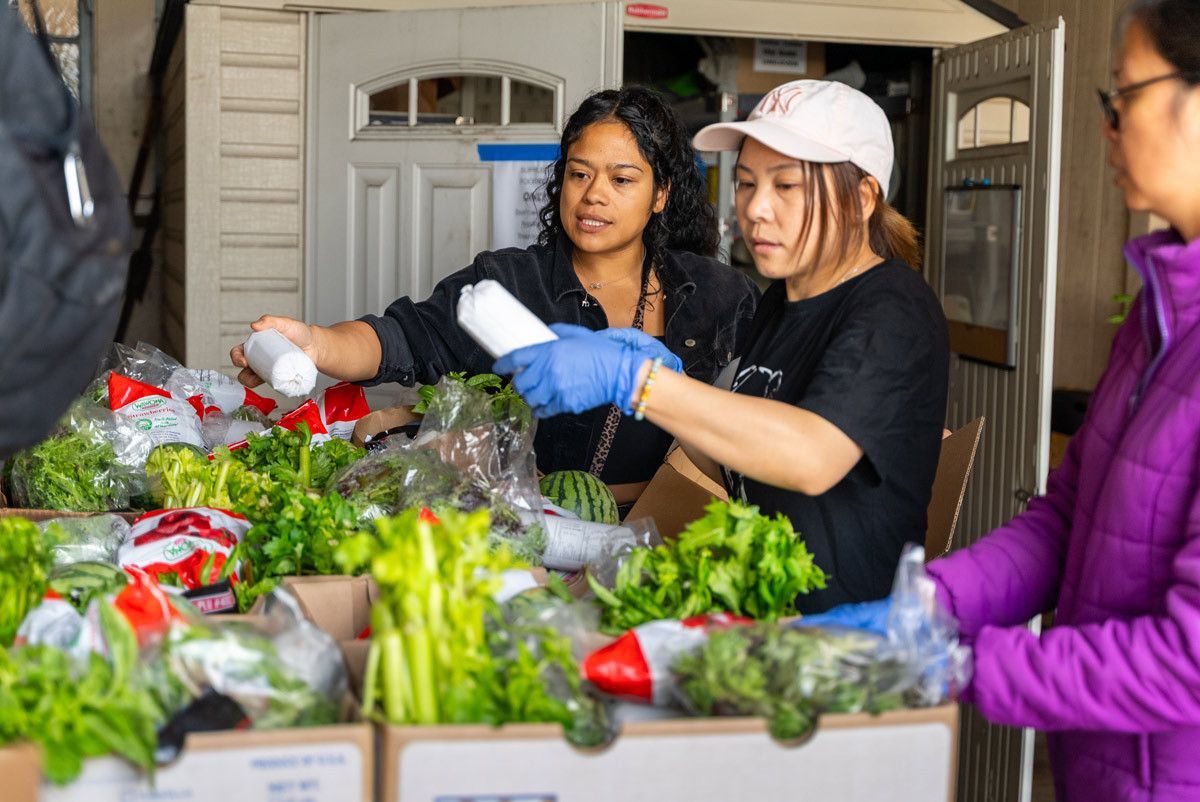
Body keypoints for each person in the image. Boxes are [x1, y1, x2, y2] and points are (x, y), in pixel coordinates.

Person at [802, 2, 1200, 799]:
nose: (1107, 126)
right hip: (1105, 766)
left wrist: (961, 662)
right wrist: (933, 603)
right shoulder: (1161, 312)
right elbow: (1066, 519)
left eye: (1123, 96)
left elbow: (1186, 664)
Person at [496, 79, 950, 612]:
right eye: (747, 182)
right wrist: (673, 391)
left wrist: (639, 381)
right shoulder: (780, 305)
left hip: (844, 648)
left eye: (785, 186)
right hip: (761, 631)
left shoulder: (892, 305)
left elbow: (812, 456)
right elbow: (734, 461)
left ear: (862, 200)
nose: (756, 208)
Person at [231, 86, 760, 503]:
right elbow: (402, 338)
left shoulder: (721, 295)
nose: (594, 193)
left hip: (678, 524)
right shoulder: (509, 283)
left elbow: (758, 428)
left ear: (660, 193)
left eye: (622, 180)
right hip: (536, 530)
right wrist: (318, 344)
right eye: (580, 173)